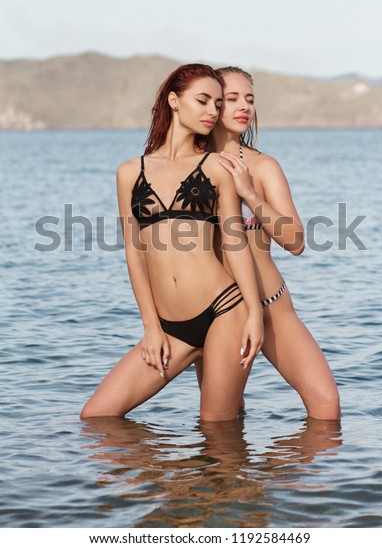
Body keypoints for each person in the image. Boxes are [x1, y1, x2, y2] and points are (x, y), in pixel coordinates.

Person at [80, 64, 264, 422]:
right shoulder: (130, 172)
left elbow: (234, 242)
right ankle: (168, 480)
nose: (213, 111)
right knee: (97, 418)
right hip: (169, 327)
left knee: (217, 431)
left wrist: (255, 314)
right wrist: (150, 327)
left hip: (225, 311)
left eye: (217, 103)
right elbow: (135, 253)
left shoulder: (217, 167)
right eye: (203, 100)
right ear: (174, 101)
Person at [196, 66, 340, 420]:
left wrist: (248, 192)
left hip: (272, 308)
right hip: (220, 313)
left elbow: (296, 242)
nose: (244, 106)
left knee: (327, 408)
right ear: (213, 105)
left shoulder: (263, 168)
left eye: (249, 99)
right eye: (232, 99)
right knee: (224, 424)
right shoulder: (191, 168)